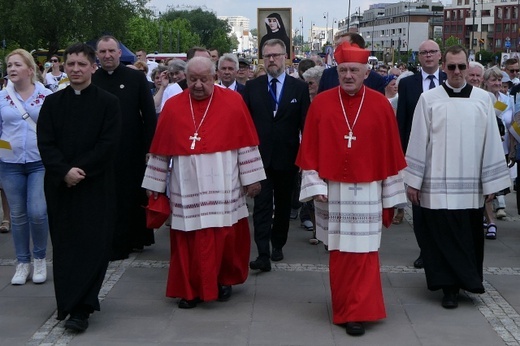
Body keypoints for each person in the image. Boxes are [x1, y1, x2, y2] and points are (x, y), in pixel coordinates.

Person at [297, 41, 407, 336]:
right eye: (343, 70)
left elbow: (391, 153)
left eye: (354, 70)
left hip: (369, 190)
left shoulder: (380, 104)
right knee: (340, 252)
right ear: (337, 70)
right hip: (334, 191)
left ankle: (360, 310)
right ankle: (345, 307)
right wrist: (315, 184)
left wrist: (392, 197)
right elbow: (309, 149)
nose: (348, 75)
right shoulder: (321, 103)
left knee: (365, 252)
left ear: (366, 73)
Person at [142, 56, 265, 309]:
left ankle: (222, 280)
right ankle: (189, 290)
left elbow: (245, 143)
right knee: (188, 239)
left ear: (215, 77)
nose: (198, 85)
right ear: (185, 78)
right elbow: (161, 151)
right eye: (192, 79)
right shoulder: (174, 106)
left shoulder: (233, 102)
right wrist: (153, 186)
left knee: (223, 235)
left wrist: (252, 179)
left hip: (224, 182)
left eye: (204, 79)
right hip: (185, 185)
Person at [404, 45, 511, 309]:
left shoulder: (483, 100)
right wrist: (414, 181)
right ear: (444, 67)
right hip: (436, 185)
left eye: (461, 66)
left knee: (467, 235)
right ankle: (448, 288)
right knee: (440, 237)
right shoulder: (429, 99)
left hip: (470, 185)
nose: (456, 72)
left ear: (468, 66)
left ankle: (468, 281)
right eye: (451, 67)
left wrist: (492, 184)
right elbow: (418, 140)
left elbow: (491, 144)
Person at [37, 42, 121, 332]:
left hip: (95, 185)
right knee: (65, 245)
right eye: (70, 64)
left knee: (93, 245)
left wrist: (80, 170)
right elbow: (45, 143)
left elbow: (108, 144)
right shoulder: (52, 103)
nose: (75, 69)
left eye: (81, 64)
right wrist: (64, 171)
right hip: (61, 186)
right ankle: (68, 302)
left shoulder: (108, 103)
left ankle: (83, 306)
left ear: (92, 67)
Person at [243, 39, 310, 271]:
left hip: (287, 157)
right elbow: (245, 125)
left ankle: (278, 243)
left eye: (276, 55)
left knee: (282, 205)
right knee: (261, 206)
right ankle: (262, 252)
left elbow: (305, 125)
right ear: (262, 58)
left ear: (285, 57)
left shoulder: (298, 88)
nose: (272, 60)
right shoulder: (252, 88)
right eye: (267, 56)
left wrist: (305, 158)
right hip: (259, 159)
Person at [92, 35, 157, 260]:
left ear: (120, 53)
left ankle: (134, 238)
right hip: (103, 150)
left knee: (131, 194)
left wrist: (151, 147)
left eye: (111, 51)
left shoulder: (135, 78)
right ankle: (113, 241)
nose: (107, 55)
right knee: (108, 197)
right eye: (103, 52)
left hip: (132, 147)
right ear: (97, 55)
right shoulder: (93, 80)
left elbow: (149, 115)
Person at [0, 49, 51, 285]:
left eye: (17, 64)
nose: (11, 69)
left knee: (38, 212)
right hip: (9, 163)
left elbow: (54, 128)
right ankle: (22, 262)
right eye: (9, 65)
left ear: (30, 69)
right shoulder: (2, 97)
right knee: (18, 215)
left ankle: (40, 258)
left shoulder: (46, 95)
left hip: (39, 161)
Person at [396, 39, 447, 269]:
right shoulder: (408, 84)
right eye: (424, 52)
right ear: (419, 57)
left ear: (440, 56)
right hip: (416, 154)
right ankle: (424, 250)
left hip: (445, 154)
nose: (428, 56)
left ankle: (442, 249)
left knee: (443, 207)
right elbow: (402, 122)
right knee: (418, 206)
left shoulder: (451, 80)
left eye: (432, 52)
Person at [318, 33, 385, 95]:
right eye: (342, 70)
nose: (348, 76)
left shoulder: (376, 80)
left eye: (340, 46)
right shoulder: (328, 75)